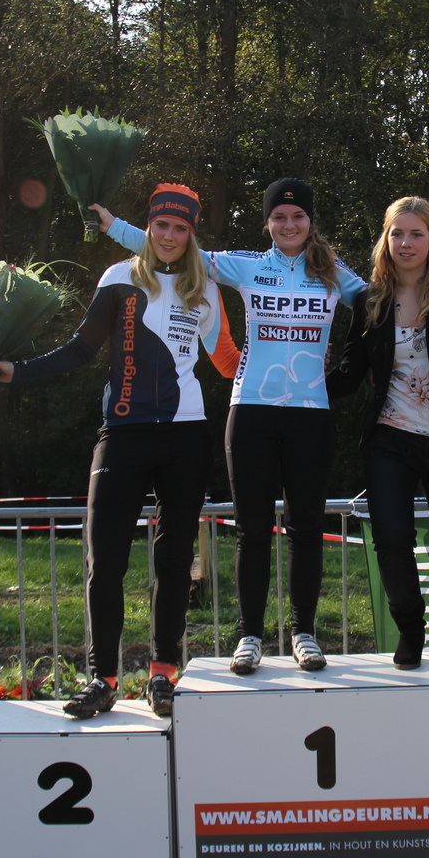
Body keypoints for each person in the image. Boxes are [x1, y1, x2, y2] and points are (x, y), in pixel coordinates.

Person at [0, 183, 239, 718]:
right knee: (105, 562)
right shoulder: (119, 277)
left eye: (181, 228)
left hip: (186, 435)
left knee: (174, 561)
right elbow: (80, 349)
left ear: (191, 234)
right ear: (149, 227)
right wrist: (16, 372)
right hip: (122, 433)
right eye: (161, 225)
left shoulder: (206, 288)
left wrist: (296, 368)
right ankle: (103, 679)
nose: (169, 236)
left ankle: (164, 673)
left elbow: (227, 360)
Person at [97, 178, 365, 674]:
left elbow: (383, 301)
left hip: (311, 411)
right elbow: (174, 245)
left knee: (306, 528)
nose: (289, 225)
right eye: (279, 217)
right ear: (268, 223)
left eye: (298, 216)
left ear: (310, 222)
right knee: (252, 530)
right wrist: (114, 225)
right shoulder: (247, 266)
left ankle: (304, 633)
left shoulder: (332, 271)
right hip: (252, 411)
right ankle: (250, 636)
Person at [328, 196, 429, 718]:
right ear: (386, 239)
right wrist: (293, 375)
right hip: (389, 440)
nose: (405, 243)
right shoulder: (371, 300)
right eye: (397, 233)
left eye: (416, 233)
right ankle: (411, 628)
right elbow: (350, 373)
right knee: (391, 539)